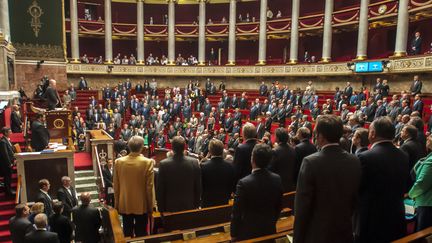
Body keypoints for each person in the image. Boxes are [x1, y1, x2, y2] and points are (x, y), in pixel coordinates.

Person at [294, 115, 361, 243]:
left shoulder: (310, 162)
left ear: (320, 136)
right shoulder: (354, 160)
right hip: (344, 231)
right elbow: (354, 200)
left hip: (317, 234)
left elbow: (302, 207)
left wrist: (297, 239)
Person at [355, 117, 409, 242]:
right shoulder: (403, 155)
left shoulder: (365, 157)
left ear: (373, 133)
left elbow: (357, 188)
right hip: (396, 215)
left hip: (371, 220)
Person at [230, 143, 283, 241]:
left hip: (248, 234)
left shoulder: (243, 183)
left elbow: (236, 213)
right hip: (269, 230)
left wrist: (233, 234)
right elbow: (278, 206)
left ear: (252, 159)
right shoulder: (277, 179)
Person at [114, 136, 155, 237]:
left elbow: (116, 186)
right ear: (141, 147)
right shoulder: (147, 162)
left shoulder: (118, 162)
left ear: (129, 147)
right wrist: (151, 206)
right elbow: (149, 187)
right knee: (141, 233)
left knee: (127, 233)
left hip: (125, 203)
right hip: (142, 205)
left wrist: (117, 204)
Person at [157, 136, 201, 212]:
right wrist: (196, 204)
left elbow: (160, 189)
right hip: (189, 205)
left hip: (170, 207)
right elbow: (198, 186)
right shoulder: (194, 162)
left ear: (172, 147)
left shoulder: (163, 164)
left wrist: (161, 208)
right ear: (185, 147)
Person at [200, 139, 235, 208]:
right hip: (224, 203)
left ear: (209, 151)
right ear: (222, 151)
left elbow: (200, 186)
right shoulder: (230, 166)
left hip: (207, 203)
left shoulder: (203, 166)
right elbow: (232, 185)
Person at [409, 134, 432, 231]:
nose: (428, 137)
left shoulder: (430, 162)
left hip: (427, 205)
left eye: (430, 137)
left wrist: (411, 194)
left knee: (422, 235)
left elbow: (421, 183)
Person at [269, 128, 296, 192]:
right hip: (290, 183)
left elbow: (270, 169)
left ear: (278, 138)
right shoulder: (293, 149)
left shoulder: (275, 151)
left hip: (277, 185)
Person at [0, 127, 15, 195]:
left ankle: (9, 189)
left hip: (10, 162)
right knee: (7, 177)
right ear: (5, 133)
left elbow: (11, 151)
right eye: (10, 131)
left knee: (9, 176)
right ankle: (8, 191)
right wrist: (9, 163)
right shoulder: (3, 141)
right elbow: (5, 154)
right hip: (6, 164)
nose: (11, 133)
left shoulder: (7, 140)